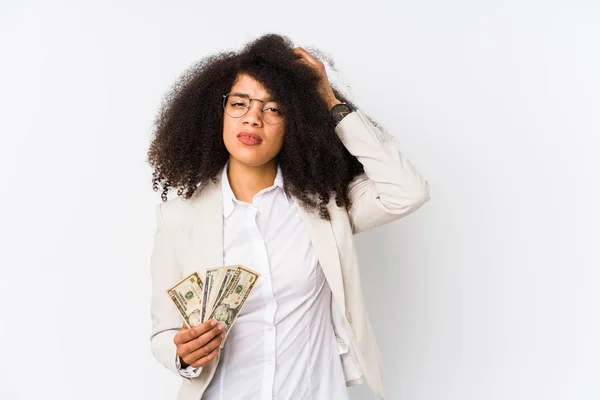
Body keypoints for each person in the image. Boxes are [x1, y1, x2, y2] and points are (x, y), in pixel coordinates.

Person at [147, 33, 430, 400]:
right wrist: (183, 354)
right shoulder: (179, 218)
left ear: (294, 124)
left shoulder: (327, 206)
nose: (253, 119)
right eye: (239, 104)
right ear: (217, 113)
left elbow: (407, 191)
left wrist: (328, 98)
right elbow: (163, 334)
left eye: (274, 108)